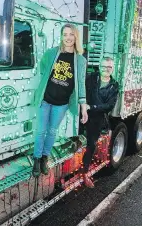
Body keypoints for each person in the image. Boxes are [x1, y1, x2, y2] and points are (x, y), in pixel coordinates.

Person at [32, 23, 88, 177]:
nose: (68, 38)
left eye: (71, 34)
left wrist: (83, 107)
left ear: (75, 37)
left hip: (61, 104)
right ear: (62, 37)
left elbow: (81, 83)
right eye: (65, 34)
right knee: (41, 131)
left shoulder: (80, 61)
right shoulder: (52, 53)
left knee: (51, 131)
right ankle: (36, 159)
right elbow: (43, 68)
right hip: (46, 100)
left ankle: (44, 158)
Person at [80, 57, 119, 187]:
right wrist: (83, 106)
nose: (106, 69)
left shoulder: (114, 86)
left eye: (109, 67)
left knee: (91, 145)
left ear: (112, 69)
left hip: (96, 118)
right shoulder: (91, 77)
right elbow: (82, 91)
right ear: (99, 66)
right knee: (74, 140)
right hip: (82, 112)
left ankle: (85, 174)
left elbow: (109, 106)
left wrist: (92, 107)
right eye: (104, 66)